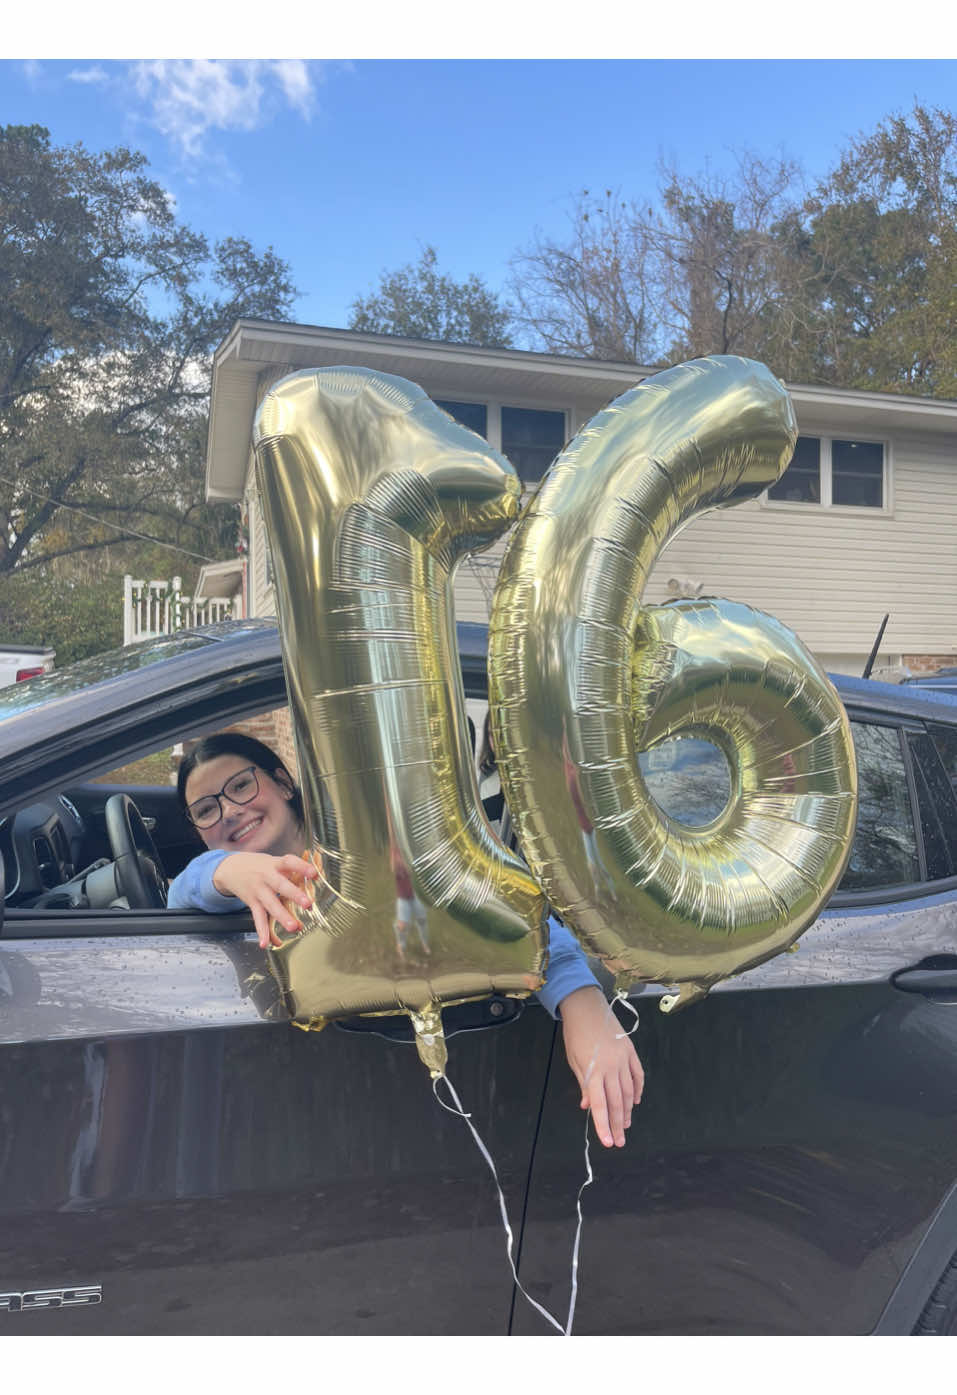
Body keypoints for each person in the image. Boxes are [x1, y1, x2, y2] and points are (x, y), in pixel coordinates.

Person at [168, 732, 644, 1147]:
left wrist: (583, 1002)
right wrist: (230, 872)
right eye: (207, 810)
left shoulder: (368, 857)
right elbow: (183, 890)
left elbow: (503, 914)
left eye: (242, 785)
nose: (231, 811)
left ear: (283, 782)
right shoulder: (224, 887)